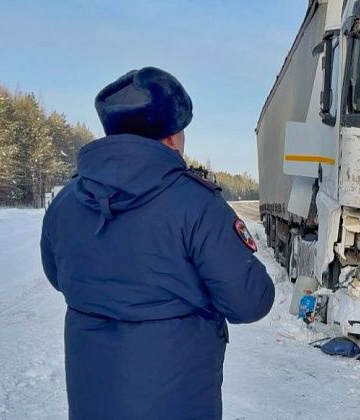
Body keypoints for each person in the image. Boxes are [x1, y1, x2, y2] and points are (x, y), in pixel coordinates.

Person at [40, 67, 275, 420]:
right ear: (169, 136)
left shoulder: (68, 201)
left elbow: (58, 275)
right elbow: (249, 301)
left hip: (92, 395)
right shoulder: (195, 202)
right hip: (176, 398)